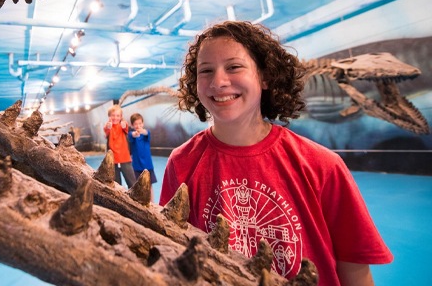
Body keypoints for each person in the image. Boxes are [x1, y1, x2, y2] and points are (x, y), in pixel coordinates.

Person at [159, 21, 392, 286]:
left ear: (265, 77)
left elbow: (355, 270)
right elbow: (174, 248)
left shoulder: (323, 165)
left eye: (234, 67)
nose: (218, 81)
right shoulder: (182, 163)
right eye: (206, 71)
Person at [103, 105, 136, 188]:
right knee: (116, 184)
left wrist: (124, 125)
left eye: (118, 116)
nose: (115, 117)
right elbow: (106, 129)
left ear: (121, 117)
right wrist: (108, 126)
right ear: (109, 116)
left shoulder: (122, 125)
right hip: (113, 159)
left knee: (132, 182)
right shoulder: (108, 126)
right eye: (113, 115)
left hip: (124, 158)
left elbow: (125, 127)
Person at [128, 113, 158, 200]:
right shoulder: (131, 134)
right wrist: (135, 134)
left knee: (149, 185)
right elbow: (132, 135)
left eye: (140, 123)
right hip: (137, 166)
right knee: (138, 186)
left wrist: (142, 131)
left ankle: (152, 202)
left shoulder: (146, 134)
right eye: (136, 124)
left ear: (143, 124)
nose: (138, 126)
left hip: (148, 166)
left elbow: (145, 132)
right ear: (132, 125)